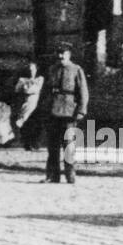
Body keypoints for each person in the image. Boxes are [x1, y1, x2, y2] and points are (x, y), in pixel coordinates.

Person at [42, 43, 89, 184]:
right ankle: (52, 175)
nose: (60, 56)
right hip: (53, 111)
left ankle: (70, 175)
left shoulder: (76, 69)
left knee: (69, 145)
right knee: (52, 146)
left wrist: (81, 110)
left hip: (69, 111)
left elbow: (83, 91)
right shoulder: (52, 69)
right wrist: (44, 108)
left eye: (64, 53)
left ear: (69, 54)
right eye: (59, 53)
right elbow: (46, 90)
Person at [12, 62, 45, 151]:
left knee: (35, 123)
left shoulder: (39, 79)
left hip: (35, 103)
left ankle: (35, 143)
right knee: (25, 122)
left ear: (36, 69)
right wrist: (25, 86)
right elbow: (17, 89)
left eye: (33, 69)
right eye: (29, 70)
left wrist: (26, 87)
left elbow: (34, 90)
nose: (31, 71)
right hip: (25, 103)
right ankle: (26, 143)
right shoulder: (22, 79)